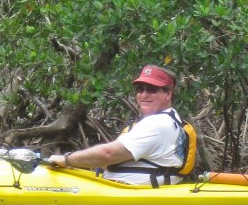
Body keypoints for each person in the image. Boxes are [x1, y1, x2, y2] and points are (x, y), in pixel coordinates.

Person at [47, 65, 191, 185]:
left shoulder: (158, 123)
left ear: (168, 94)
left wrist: (66, 159)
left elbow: (108, 154)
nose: (144, 95)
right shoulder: (169, 120)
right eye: (140, 89)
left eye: (152, 89)